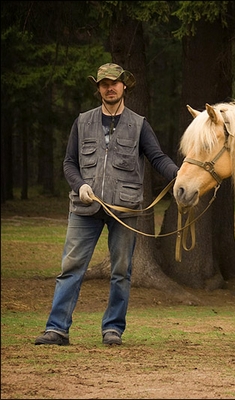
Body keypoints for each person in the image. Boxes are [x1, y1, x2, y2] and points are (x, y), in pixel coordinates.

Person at [35, 63, 179, 346]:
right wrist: (80, 185)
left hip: (124, 210)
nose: (109, 87)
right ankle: (57, 329)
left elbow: (158, 158)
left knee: (121, 271)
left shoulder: (139, 124)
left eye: (114, 82)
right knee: (71, 268)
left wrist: (180, 174)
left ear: (125, 85)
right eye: (104, 83)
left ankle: (113, 329)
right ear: (98, 88)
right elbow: (69, 163)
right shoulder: (82, 121)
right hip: (84, 208)